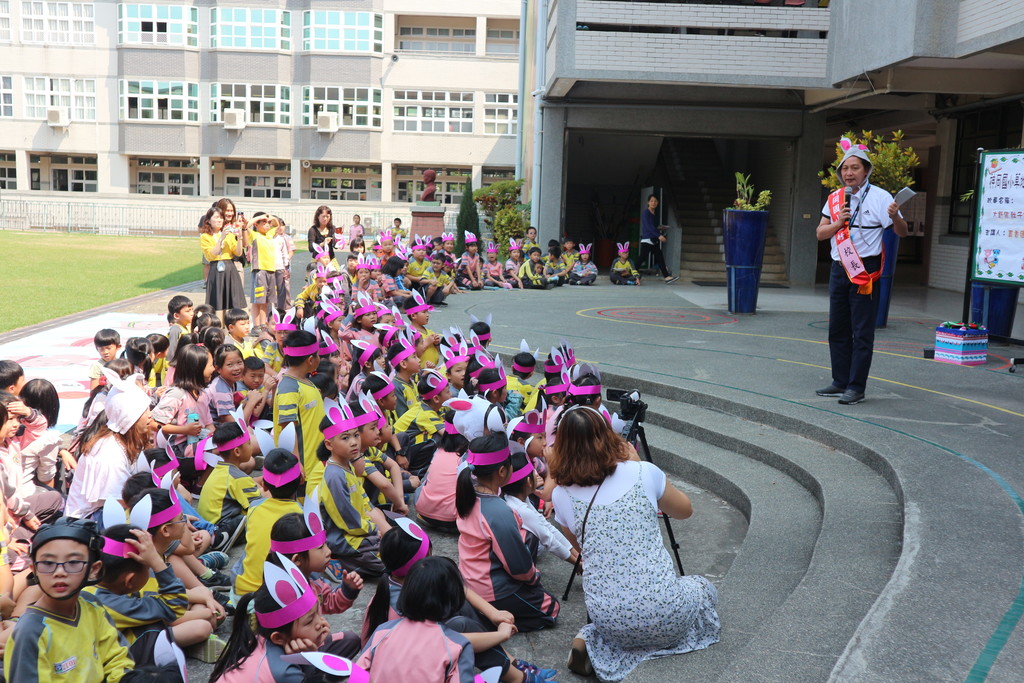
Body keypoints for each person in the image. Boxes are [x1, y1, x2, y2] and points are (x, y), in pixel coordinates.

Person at [549, 406, 720, 681]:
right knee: (702, 588)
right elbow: (684, 510)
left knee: (617, 621)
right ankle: (624, 642)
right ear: (607, 435)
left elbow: (581, 548)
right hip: (667, 613)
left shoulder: (560, 495)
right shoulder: (643, 472)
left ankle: (593, 641)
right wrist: (640, 465)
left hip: (610, 621)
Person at [815, 138, 908, 405]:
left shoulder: (881, 197)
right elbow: (821, 234)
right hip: (838, 267)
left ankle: (857, 387)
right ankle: (839, 381)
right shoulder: (835, 198)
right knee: (837, 328)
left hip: (864, 270)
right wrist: (839, 223)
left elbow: (901, 232)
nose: (849, 173)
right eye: (845, 169)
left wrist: (896, 216)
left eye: (855, 168)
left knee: (862, 331)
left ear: (865, 170)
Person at [5, 518, 135, 683]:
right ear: (34, 570)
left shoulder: (92, 606)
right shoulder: (31, 632)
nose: (59, 572)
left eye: (73, 562)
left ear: (94, 570)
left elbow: (117, 659)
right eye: (47, 563)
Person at [456, 433, 559, 632]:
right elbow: (519, 567)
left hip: (470, 579)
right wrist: (533, 579)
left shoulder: (468, 491)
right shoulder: (498, 511)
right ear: (502, 471)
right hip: (490, 589)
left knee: (527, 538)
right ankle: (489, 619)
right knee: (552, 609)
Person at [201, 206, 246, 314]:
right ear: (208, 220)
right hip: (215, 269)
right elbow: (211, 255)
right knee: (217, 302)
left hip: (230, 268)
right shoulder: (205, 237)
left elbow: (238, 253)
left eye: (221, 217)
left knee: (233, 301)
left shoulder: (230, 234)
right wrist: (221, 238)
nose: (219, 220)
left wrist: (239, 238)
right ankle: (218, 326)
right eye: (216, 217)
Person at [640, 194, 678, 284]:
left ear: (658, 203)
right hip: (647, 239)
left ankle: (667, 277)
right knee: (642, 258)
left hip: (653, 239)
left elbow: (653, 226)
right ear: (648, 202)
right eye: (652, 201)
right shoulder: (646, 213)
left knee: (660, 257)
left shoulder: (654, 214)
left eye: (655, 201)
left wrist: (660, 228)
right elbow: (648, 226)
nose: (654, 203)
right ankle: (631, 273)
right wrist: (659, 235)